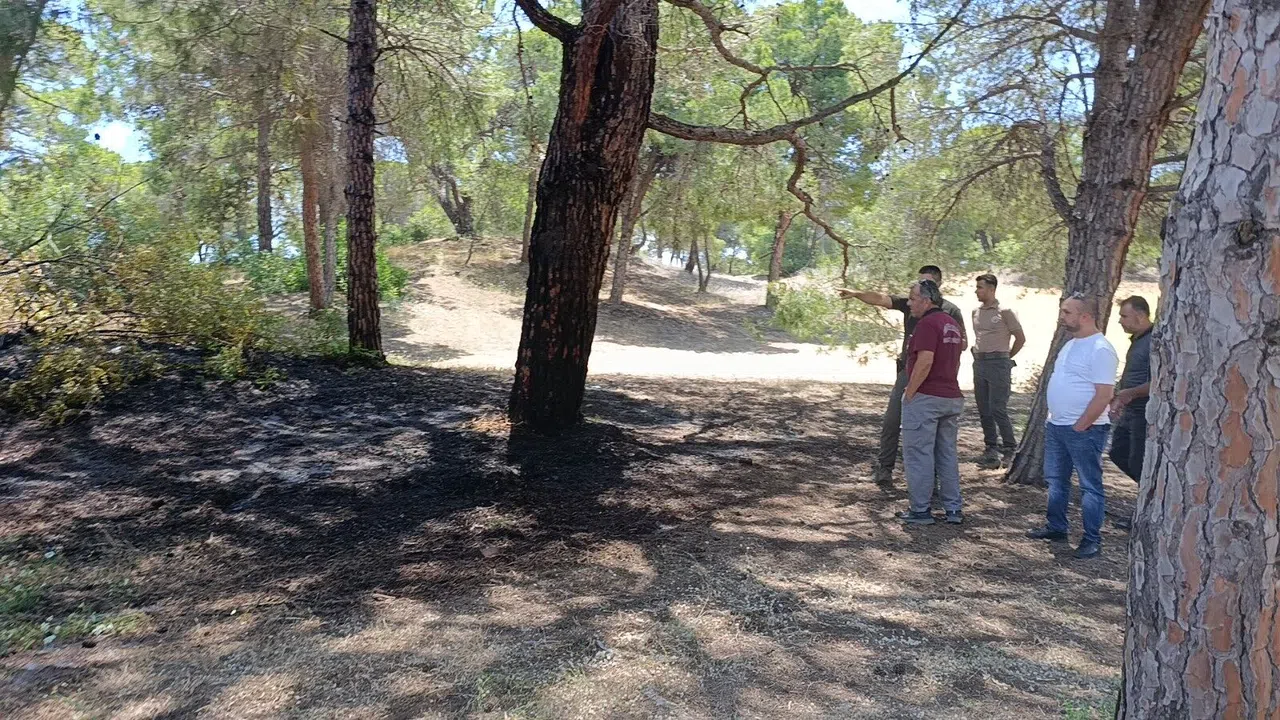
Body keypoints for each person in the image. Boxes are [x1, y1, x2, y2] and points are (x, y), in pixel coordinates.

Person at [838, 265, 967, 486]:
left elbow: (961, 343)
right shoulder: (911, 303)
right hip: (908, 370)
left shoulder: (950, 311)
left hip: (935, 376)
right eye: (920, 282)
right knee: (892, 420)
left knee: (932, 430)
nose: (920, 290)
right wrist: (857, 294)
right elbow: (881, 299)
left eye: (928, 282)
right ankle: (884, 467)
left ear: (938, 285)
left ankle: (931, 481)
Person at [1026, 294, 1119, 559]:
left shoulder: (1100, 349)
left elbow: (1104, 394)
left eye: (1068, 312)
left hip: (1084, 430)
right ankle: (1057, 526)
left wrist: (1081, 425)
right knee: (1056, 481)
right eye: (1062, 311)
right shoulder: (1071, 344)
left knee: (1090, 485)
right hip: (1057, 425)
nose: (1062, 317)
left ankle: (1092, 539)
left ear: (1086, 316)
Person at [896, 279, 966, 525]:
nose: (909, 303)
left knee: (919, 454)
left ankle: (920, 510)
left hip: (927, 397)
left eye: (913, 298)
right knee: (946, 453)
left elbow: (925, 361)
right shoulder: (952, 324)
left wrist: (910, 392)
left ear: (926, 301)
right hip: (951, 396)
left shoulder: (927, 324)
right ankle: (953, 508)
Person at [971, 274, 1026, 469]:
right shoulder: (975, 313)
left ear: (992, 289)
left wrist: (1007, 357)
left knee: (998, 407)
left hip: (999, 362)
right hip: (980, 363)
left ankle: (1010, 447)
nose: (977, 291)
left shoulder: (1005, 312)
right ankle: (990, 447)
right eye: (977, 287)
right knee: (983, 407)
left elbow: (1020, 338)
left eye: (980, 287)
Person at [1109, 296, 1153, 483]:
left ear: (1141, 315)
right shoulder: (1138, 339)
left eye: (1124, 316)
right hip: (1130, 409)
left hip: (1144, 412)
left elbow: (1160, 382)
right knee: (1117, 453)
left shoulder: (1154, 340)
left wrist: (1132, 393)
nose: (1120, 321)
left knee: (1138, 463)